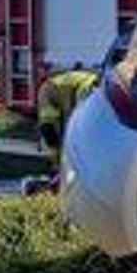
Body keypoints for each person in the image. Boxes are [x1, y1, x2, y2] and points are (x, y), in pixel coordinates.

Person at [23, 67, 101, 195]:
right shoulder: (59, 87)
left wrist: (57, 161)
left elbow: (48, 129)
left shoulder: (44, 91)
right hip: (96, 87)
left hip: (86, 93)